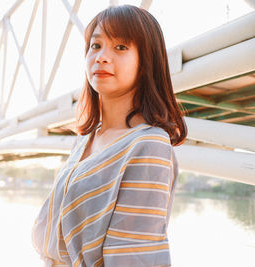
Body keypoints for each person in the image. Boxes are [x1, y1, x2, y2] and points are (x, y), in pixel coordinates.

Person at [32, 5, 187, 267]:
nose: (102, 57)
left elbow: (134, 256)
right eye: (96, 46)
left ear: (146, 61)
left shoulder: (149, 145)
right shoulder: (85, 140)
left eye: (121, 47)